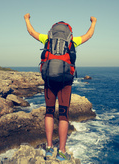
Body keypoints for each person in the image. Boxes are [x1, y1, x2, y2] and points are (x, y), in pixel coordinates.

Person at [24, 13, 97, 161]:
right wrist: (93, 22)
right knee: (64, 115)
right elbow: (89, 35)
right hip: (65, 81)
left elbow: (31, 32)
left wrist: (27, 19)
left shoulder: (47, 39)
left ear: (53, 31)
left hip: (49, 80)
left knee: (49, 113)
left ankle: (49, 148)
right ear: (68, 31)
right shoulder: (72, 40)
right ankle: (62, 151)